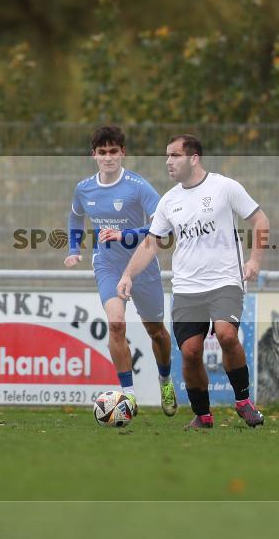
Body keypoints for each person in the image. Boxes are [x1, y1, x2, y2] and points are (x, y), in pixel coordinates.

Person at [117, 134, 270, 429]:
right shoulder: (169, 201)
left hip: (226, 280)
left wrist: (254, 261)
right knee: (190, 351)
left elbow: (260, 221)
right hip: (187, 288)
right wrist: (127, 275)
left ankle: (243, 401)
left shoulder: (225, 187)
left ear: (194, 158)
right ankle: (203, 415)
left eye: (174, 155)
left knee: (226, 336)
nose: (168, 162)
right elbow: (151, 244)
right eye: (167, 156)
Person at [64, 125, 177, 417]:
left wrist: (125, 234)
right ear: (94, 155)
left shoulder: (138, 186)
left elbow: (162, 227)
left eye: (114, 151)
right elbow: (76, 217)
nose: (108, 158)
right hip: (107, 264)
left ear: (123, 153)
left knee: (157, 332)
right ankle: (128, 397)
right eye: (102, 152)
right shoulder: (84, 188)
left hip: (142, 264)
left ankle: (165, 380)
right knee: (116, 324)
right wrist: (74, 250)